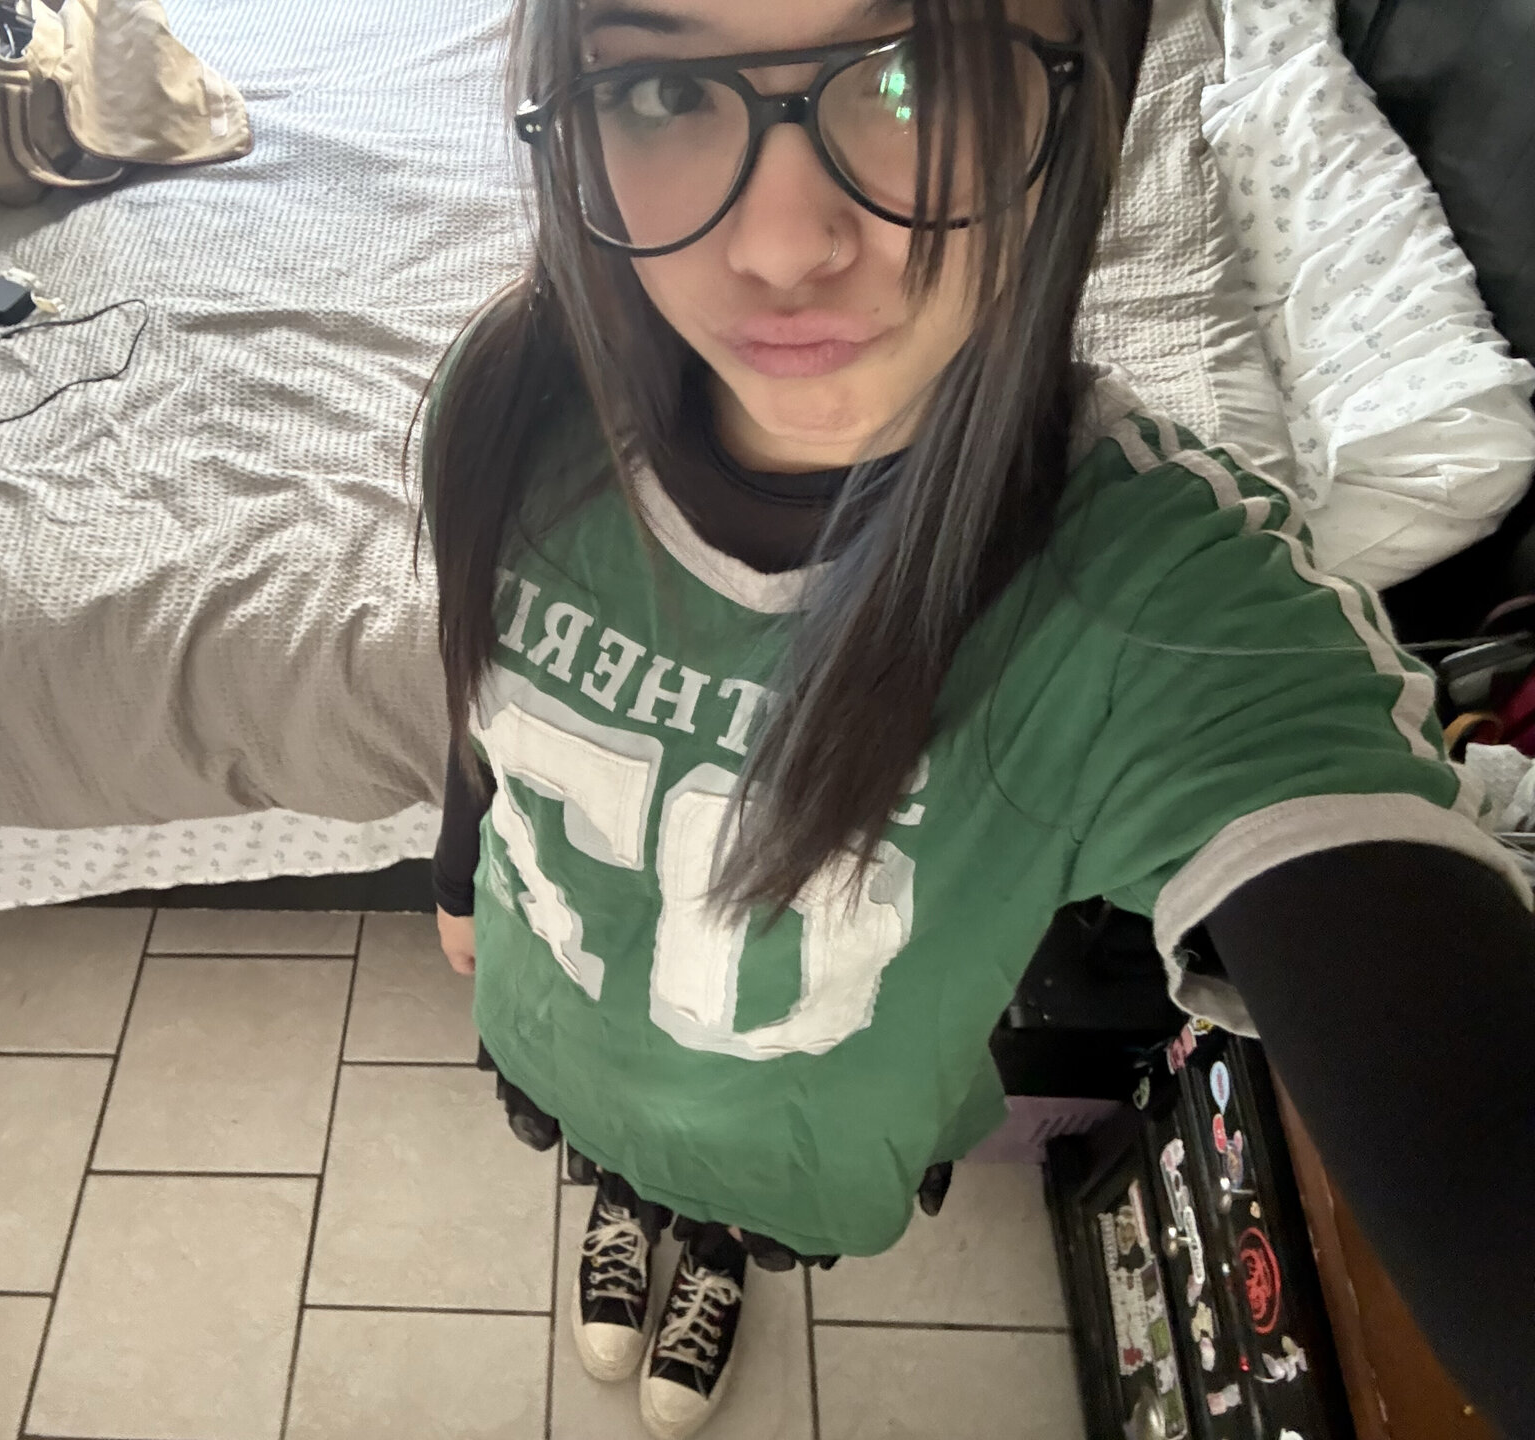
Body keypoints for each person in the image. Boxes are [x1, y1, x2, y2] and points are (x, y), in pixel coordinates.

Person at [419, 0, 1535, 1436]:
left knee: (726, 1203)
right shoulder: (510, 401)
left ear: (1082, 96)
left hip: (793, 1122)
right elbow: (485, 688)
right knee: (614, 1157)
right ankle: (632, 1212)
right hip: (560, 1016)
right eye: (662, 90)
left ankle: (711, 1251)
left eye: (912, 77)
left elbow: (1473, 1129)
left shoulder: (1155, 606)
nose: (781, 246)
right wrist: (457, 865)